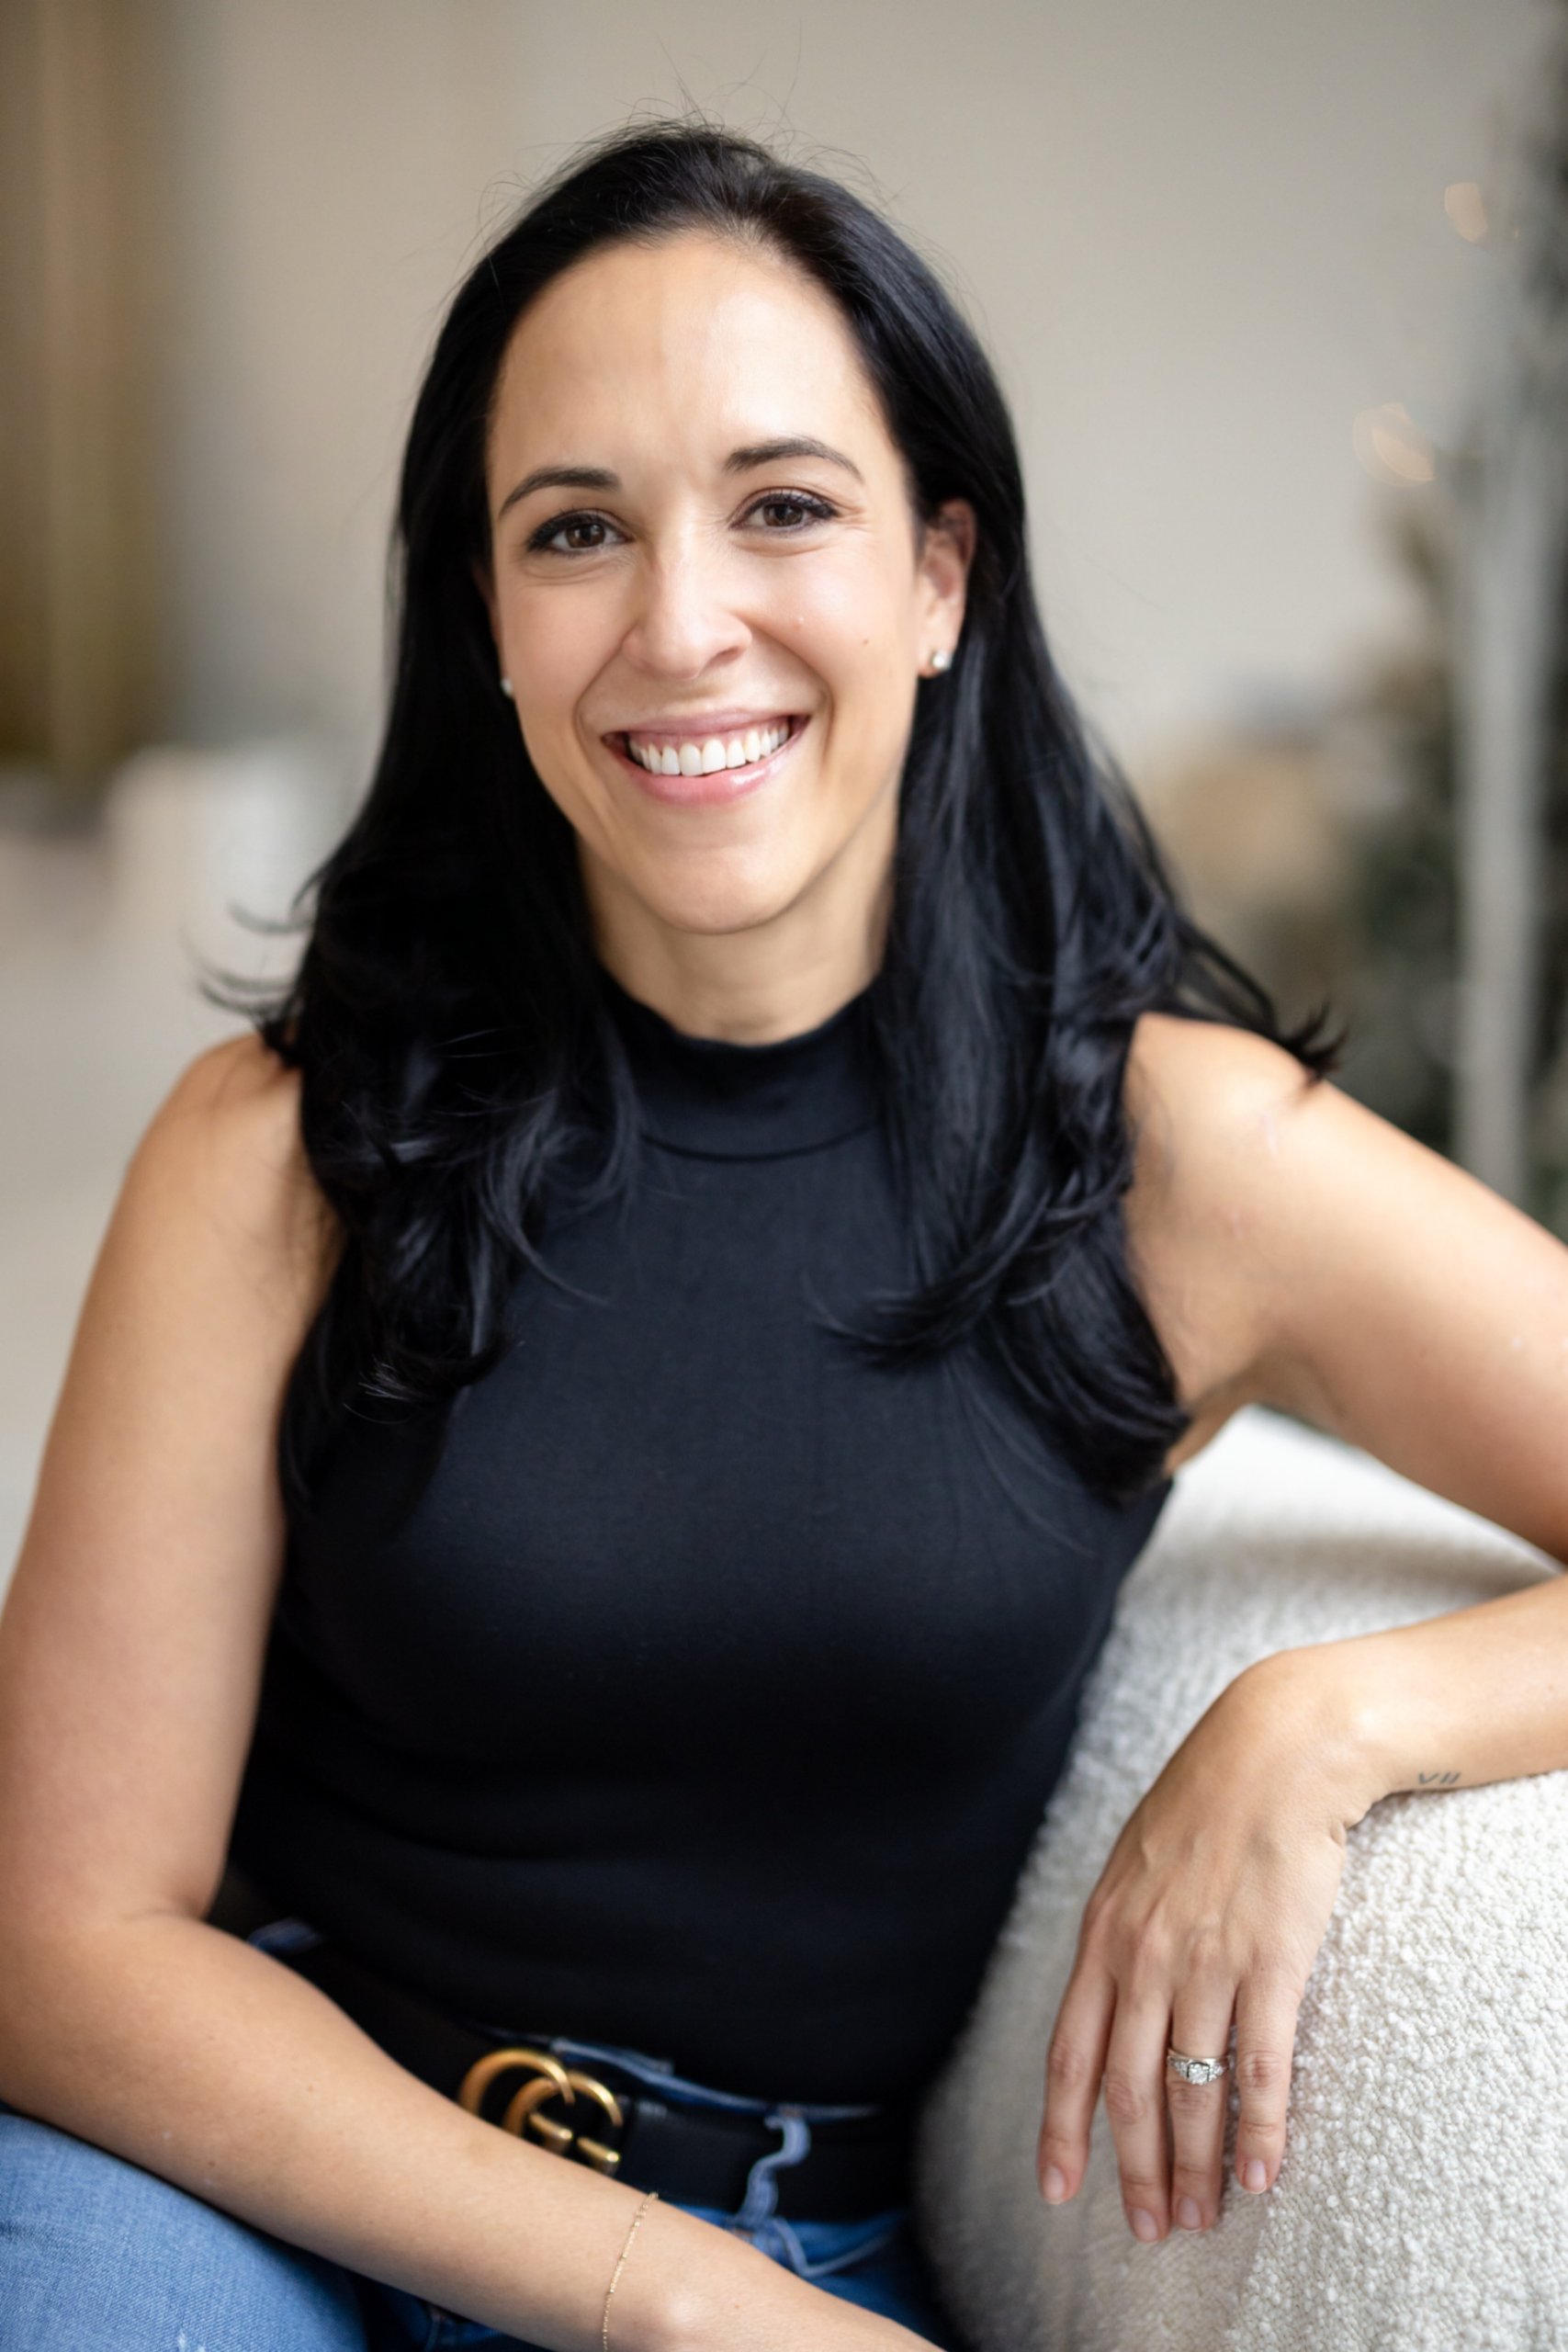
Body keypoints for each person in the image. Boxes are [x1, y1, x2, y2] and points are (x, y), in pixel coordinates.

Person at [2, 114, 1566, 2352]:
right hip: (243, 2205)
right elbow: (54, 1938)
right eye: (575, 531)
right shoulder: (275, 1147)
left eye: (784, 507)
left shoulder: (1169, 1157)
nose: (681, 623)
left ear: (938, 578)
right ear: (489, 618)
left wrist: (1333, 1718)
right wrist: (667, 2300)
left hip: (797, 2244)